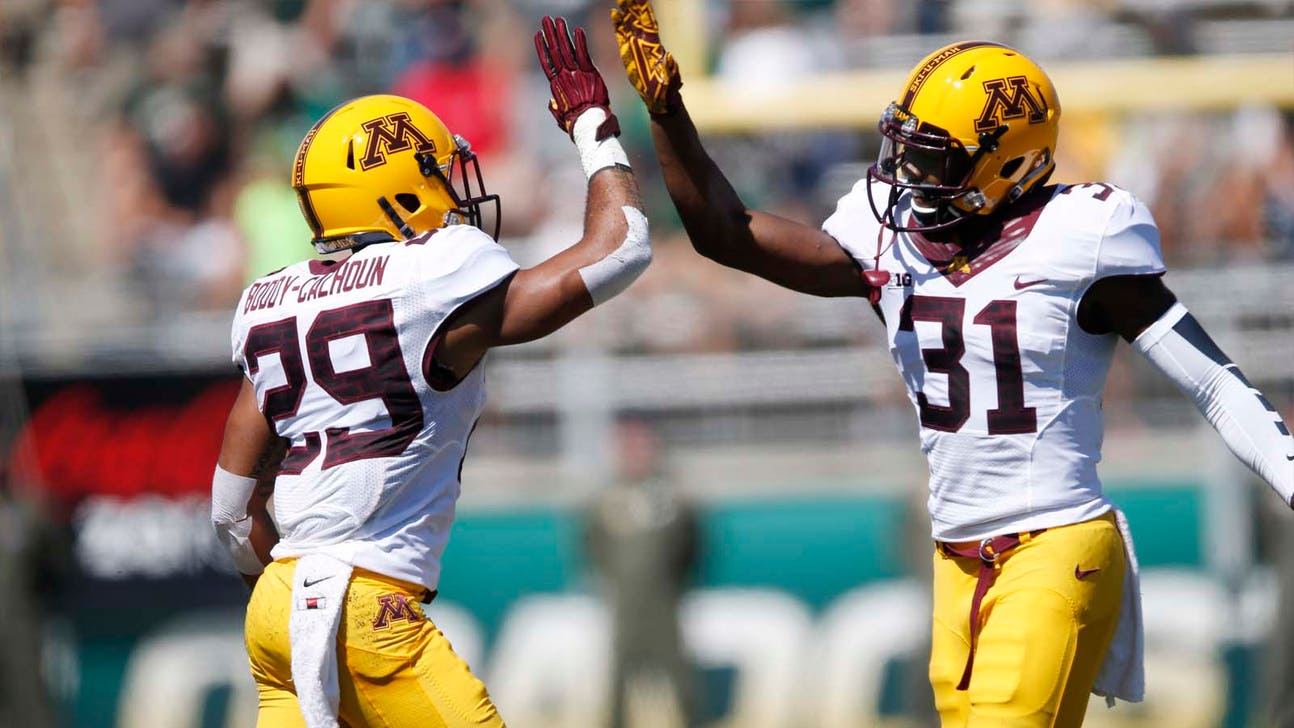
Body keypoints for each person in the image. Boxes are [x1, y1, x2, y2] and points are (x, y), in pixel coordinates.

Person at [609, 4, 1294, 726]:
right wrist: (666, 110)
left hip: (1053, 545)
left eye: (932, 156)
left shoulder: (1082, 236)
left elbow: (1213, 380)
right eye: (906, 149)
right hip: (955, 559)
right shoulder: (894, 238)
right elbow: (730, 234)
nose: (906, 173)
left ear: (1007, 159)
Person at [211, 16, 649, 728]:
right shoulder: (430, 275)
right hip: (360, 600)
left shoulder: (271, 298)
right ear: (400, 191)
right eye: (439, 173)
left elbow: (230, 510)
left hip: (276, 611)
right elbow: (621, 246)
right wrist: (594, 128)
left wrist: (287, 587)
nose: (455, 188)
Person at [586, 419, 699, 728]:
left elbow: (692, 545)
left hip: (664, 602)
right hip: (625, 604)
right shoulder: (606, 500)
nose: (636, 454)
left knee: (679, 678)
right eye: (629, 447)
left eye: (641, 446)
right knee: (620, 679)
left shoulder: (673, 498)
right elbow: (593, 546)